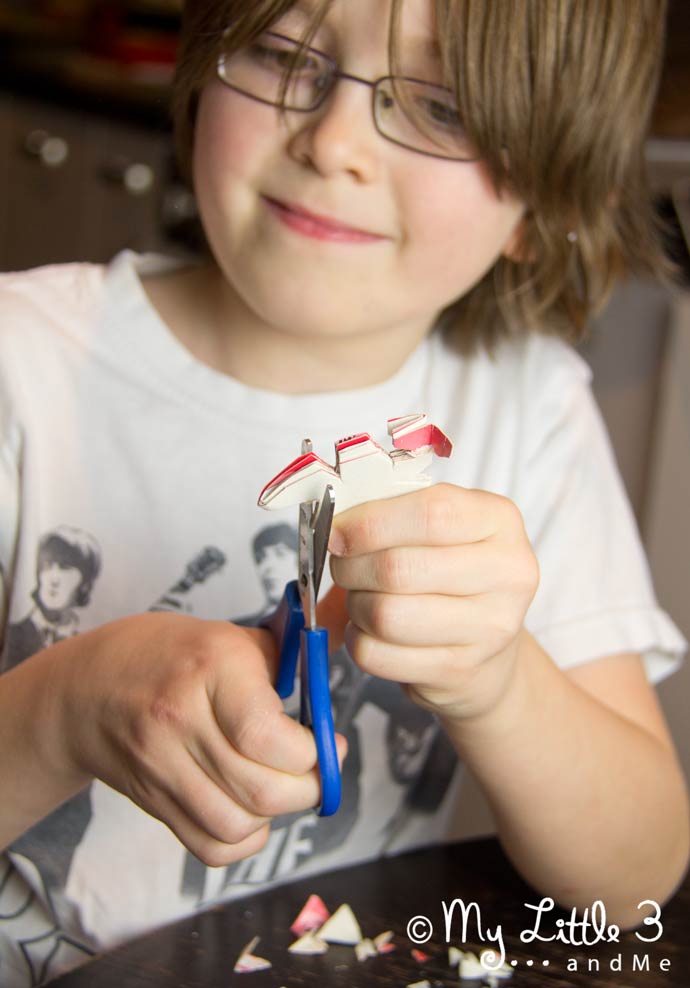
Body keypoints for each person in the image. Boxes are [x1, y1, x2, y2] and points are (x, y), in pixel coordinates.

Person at [1, 0, 688, 983]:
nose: (334, 144)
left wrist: (500, 682)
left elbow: (632, 885)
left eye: (443, 108)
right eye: (283, 55)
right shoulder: (21, 369)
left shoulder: (529, 416)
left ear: (545, 203)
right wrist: (62, 713)